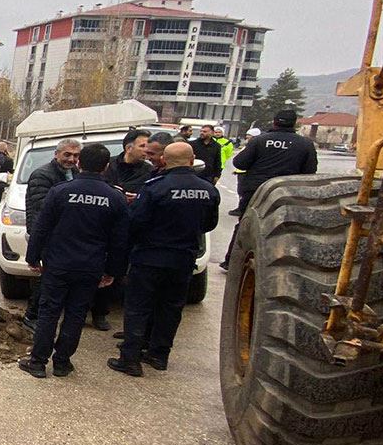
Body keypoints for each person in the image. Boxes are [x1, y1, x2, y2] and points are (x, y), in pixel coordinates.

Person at [18, 143, 130, 378]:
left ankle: (38, 362)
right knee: (76, 314)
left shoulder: (60, 192)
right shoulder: (115, 197)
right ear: (106, 166)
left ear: (80, 163)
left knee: (49, 312)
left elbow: (41, 227)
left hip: (58, 263)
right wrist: (113, 271)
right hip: (90, 266)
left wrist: (33, 257)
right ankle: (62, 362)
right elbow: (120, 240)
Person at [108, 142, 220, 376]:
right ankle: (159, 355)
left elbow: (136, 223)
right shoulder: (208, 190)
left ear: (163, 161)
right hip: (183, 259)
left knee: (138, 307)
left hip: (150, 258)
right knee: (170, 308)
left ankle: (130, 358)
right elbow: (209, 224)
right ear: (192, 160)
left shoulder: (154, 188)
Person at [221, 110, 317, 268]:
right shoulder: (305, 144)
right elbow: (310, 171)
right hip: (287, 192)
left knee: (245, 226)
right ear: (295, 123)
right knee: (284, 229)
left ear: (274, 122)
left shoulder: (259, 140)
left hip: (256, 190)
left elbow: (240, 163)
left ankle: (231, 262)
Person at [93, 128, 155, 331]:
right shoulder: (107, 166)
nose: (147, 150)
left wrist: (137, 199)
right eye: (143, 145)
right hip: (102, 226)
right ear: (129, 147)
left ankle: (103, 312)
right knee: (96, 269)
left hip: (131, 228)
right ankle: (92, 309)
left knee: (117, 273)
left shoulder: (149, 171)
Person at [20, 138, 81, 327]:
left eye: (76, 155)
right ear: (57, 154)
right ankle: (32, 315)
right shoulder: (42, 175)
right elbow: (43, 208)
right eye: (67, 155)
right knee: (45, 276)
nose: (71, 159)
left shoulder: (75, 173)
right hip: (47, 234)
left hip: (66, 235)